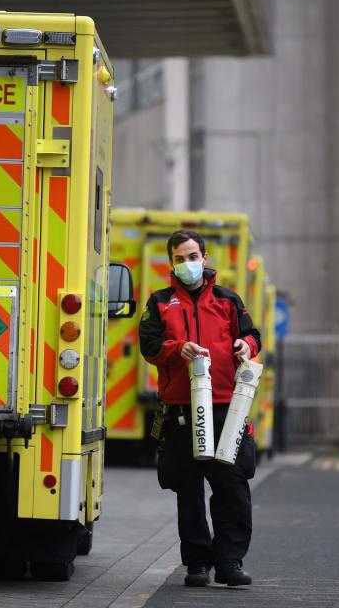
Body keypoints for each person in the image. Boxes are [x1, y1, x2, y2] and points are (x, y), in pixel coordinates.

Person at [138, 229, 261, 587]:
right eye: (180, 258)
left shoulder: (228, 299)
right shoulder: (159, 302)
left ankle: (230, 564)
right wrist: (178, 348)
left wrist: (244, 345)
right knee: (188, 491)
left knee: (232, 489)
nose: (188, 264)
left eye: (193, 257)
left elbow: (254, 335)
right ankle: (197, 564)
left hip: (226, 408)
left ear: (204, 259)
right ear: (171, 263)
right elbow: (149, 347)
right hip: (181, 410)